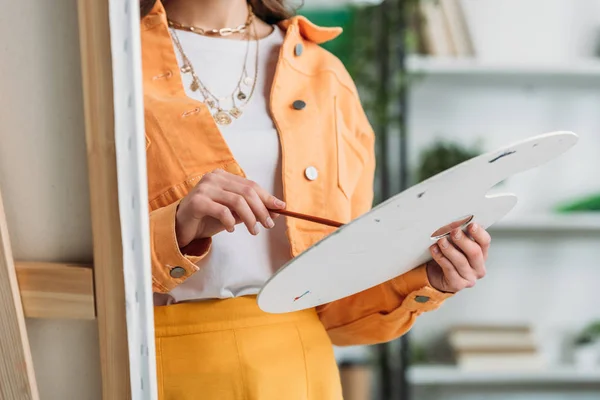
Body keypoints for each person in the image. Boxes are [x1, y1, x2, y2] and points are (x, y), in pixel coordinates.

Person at [140, 0, 491, 398]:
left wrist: (428, 278)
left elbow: (340, 311)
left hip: (300, 367)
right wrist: (176, 228)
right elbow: (77, 261)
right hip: (153, 361)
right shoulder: (111, 65)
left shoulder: (325, 75)